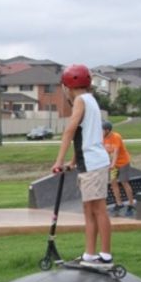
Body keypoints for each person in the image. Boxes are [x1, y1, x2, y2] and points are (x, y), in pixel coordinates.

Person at [51, 64, 113, 269]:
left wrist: (58, 161)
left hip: (94, 164)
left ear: (68, 86)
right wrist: (73, 162)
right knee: (89, 209)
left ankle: (105, 256)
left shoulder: (80, 100)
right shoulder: (90, 100)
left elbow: (69, 131)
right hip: (89, 162)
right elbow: (84, 135)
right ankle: (90, 254)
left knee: (98, 209)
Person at [102, 121, 136, 217]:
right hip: (114, 165)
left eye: (102, 130)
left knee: (124, 182)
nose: (101, 132)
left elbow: (116, 152)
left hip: (123, 163)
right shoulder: (102, 138)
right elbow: (104, 152)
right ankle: (119, 203)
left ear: (107, 130)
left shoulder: (116, 137)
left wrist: (112, 164)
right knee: (113, 182)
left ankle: (131, 204)